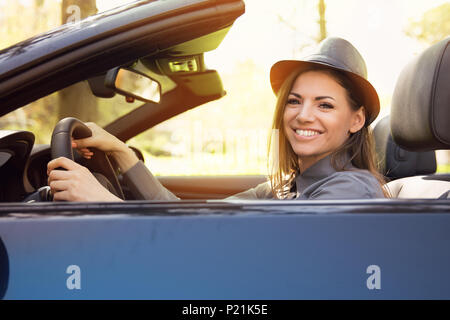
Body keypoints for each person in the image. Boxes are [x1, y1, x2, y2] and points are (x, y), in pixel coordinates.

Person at [47, 37, 388, 202]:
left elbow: (265, 259)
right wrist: (121, 151)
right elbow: (192, 221)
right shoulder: (285, 188)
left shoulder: (350, 191)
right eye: (295, 101)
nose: (303, 115)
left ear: (356, 120)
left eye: (324, 105)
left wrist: (103, 201)